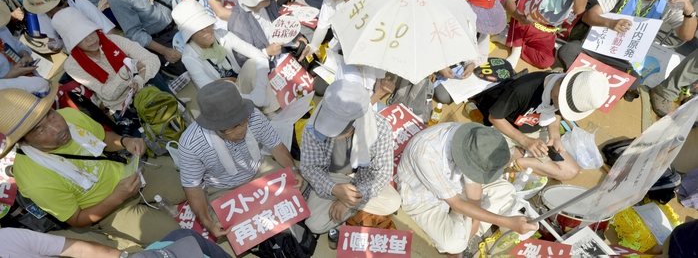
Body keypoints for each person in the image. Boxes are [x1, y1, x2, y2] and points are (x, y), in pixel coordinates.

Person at [0, 83, 185, 247]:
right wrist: (118, 197)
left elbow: (103, 139)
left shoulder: (70, 116)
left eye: (50, 115)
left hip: (129, 173)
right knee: (179, 238)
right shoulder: (33, 180)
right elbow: (78, 219)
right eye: (40, 131)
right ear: (23, 142)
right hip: (109, 211)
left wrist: (125, 141)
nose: (58, 128)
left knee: (189, 185)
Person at [556, 0, 697, 105]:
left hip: (622, 59)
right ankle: (596, 82)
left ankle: (588, 78)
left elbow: (686, 36)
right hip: (596, 49)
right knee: (568, 50)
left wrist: (690, 11)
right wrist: (609, 23)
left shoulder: (668, 5)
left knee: (635, 81)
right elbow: (589, 16)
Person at [177, 80, 303, 240]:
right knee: (231, 230)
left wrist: (293, 169)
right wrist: (208, 223)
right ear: (212, 125)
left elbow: (275, 145)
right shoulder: (190, 143)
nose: (240, 131)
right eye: (230, 127)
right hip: (223, 188)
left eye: (242, 123)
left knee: (296, 194)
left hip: (259, 169)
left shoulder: (253, 116)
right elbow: (192, 186)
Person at [398, 123, 539, 258]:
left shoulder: (473, 140)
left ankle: (464, 229)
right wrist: (507, 222)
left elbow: (473, 184)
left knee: (506, 190)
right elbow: (456, 204)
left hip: (455, 187)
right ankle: (462, 232)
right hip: (423, 198)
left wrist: (475, 221)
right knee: (454, 244)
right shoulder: (426, 153)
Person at [470, 67, 610, 181]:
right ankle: (517, 156)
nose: (560, 107)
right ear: (560, 87)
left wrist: (555, 137)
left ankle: (521, 158)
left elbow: (555, 114)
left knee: (570, 171)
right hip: (507, 128)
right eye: (560, 102)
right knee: (487, 170)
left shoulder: (569, 95)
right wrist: (525, 141)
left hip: (535, 131)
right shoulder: (524, 89)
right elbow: (495, 118)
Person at [300, 80, 401, 235]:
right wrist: (334, 189)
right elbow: (310, 167)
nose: (334, 135)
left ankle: (347, 211)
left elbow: (382, 173)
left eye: (340, 131)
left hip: (364, 180)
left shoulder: (380, 127)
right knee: (314, 225)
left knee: (393, 202)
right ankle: (356, 213)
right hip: (332, 177)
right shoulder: (314, 124)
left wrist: (348, 201)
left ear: (357, 123)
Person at [172, 0, 280, 114]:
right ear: (190, 36)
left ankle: (272, 114)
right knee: (225, 86)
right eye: (199, 29)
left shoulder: (223, 34)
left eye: (206, 24)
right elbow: (212, 92)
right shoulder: (189, 58)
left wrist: (259, 90)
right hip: (221, 101)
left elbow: (259, 56)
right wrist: (254, 99)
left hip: (240, 85)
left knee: (252, 64)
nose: (206, 30)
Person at [52, 7, 160, 113]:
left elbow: (152, 59)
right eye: (81, 38)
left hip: (145, 89)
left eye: (90, 32)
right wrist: (126, 69)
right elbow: (107, 94)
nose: (90, 39)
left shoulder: (112, 40)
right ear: (74, 44)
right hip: (121, 107)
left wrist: (139, 80)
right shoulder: (72, 65)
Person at [433, 0, 508, 104]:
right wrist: (440, 66)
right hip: (434, 60)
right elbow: (428, 43)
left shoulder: (481, 31)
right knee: (443, 97)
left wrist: (472, 64)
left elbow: (482, 52)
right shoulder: (444, 16)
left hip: (457, 66)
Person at [227, 0, 307, 65]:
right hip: (266, 70)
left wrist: (296, 36)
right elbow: (243, 62)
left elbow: (280, 24)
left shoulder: (269, 1)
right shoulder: (237, 23)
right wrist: (266, 52)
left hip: (286, 58)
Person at [0, 227, 233, 258]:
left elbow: (80, 248)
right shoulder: (7, 237)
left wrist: (123, 257)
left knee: (182, 236)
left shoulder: (8, 237)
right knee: (186, 238)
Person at [23, 0, 116, 43]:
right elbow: (52, 39)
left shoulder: (81, 5)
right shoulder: (42, 15)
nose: (46, 13)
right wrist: (54, 45)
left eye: (48, 10)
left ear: (59, 2)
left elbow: (110, 32)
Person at [0, 0, 37, 78]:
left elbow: (17, 45)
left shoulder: (2, 28)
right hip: (11, 89)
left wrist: (25, 56)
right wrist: (11, 75)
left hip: (32, 79)